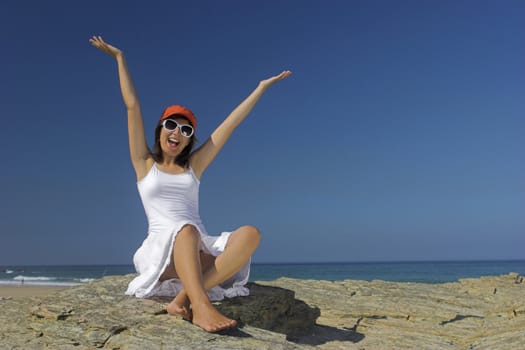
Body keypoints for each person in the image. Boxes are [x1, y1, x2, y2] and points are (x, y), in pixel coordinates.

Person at [89, 36, 291, 332]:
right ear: (160, 131)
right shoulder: (144, 165)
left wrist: (259, 88)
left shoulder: (193, 167)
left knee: (250, 234)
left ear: (189, 139)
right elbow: (132, 106)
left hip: (197, 246)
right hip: (162, 251)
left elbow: (230, 125)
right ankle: (202, 306)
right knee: (184, 230)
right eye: (171, 125)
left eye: (186, 129)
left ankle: (184, 298)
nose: (177, 132)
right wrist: (120, 58)